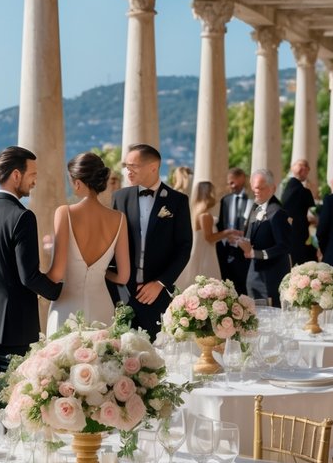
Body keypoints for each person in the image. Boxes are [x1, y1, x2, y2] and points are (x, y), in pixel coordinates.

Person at [0, 146, 62, 417]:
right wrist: (57, 291)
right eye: (32, 174)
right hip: (15, 330)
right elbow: (28, 276)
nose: (35, 181)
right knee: (17, 406)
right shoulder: (22, 217)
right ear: (16, 175)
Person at [111, 143, 192, 338]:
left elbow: (184, 247)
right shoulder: (119, 197)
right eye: (126, 166)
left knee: (158, 355)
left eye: (133, 166)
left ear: (153, 167)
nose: (127, 171)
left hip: (158, 294)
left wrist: (161, 283)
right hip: (122, 294)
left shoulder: (177, 201)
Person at [46, 152, 130, 332]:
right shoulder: (119, 219)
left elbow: (56, 273)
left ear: (77, 182)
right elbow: (123, 277)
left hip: (67, 309)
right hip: (103, 309)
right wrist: (101, 272)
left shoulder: (64, 213)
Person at [236, 168, 292, 307]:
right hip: (254, 274)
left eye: (261, 188)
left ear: (272, 188)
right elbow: (250, 234)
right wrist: (241, 241)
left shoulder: (278, 212)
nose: (257, 192)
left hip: (272, 276)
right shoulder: (256, 206)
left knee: (271, 320)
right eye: (254, 188)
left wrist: (256, 253)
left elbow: (284, 246)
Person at [177, 181, 231, 288]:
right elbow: (209, 238)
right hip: (205, 256)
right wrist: (228, 232)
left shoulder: (196, 212)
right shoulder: (205, 215)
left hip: (201, 253)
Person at [216, 167, 252, 294]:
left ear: (241, 179)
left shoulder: (252, 200)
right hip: (227, 252)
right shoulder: (225, 200)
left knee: (243, 288)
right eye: (228, 183)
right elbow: (221, 225)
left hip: (244, 252)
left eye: (232, 182)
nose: (230, 186)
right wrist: (226, 238)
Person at [280, 158, 315, 264]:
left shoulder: (285, 190)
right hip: (300, 234)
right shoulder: (304, 192)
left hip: (286, 232)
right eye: (307, 171)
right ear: (302, 171)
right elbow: (312, 214)